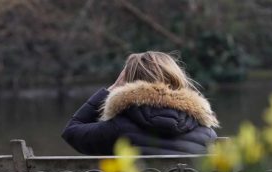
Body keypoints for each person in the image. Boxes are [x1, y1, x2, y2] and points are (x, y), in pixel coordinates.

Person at [61, 51, 218, 155]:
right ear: (177, 79)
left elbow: (71, 131)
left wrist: (112, 89)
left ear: (128, 83)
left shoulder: (117, 128)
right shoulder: (206, 134)